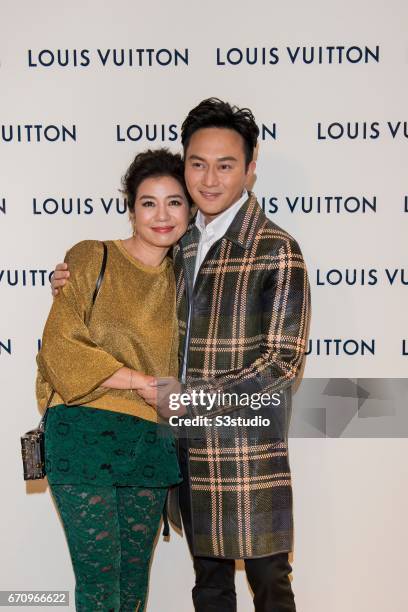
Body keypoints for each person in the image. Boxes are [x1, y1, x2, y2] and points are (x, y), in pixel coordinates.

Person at [52, 98, 311, 612]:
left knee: (270, 587)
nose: (210, 179)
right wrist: (70, 279)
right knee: (208, 590)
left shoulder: (275, 248)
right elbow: (129, 287)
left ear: (251, 167)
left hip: (245, 453)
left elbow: (282, 364)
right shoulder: (184, 244)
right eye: (198, 164)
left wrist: (189, 399)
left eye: (226, 164)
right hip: (183, 452)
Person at [37, 148, 191, 612]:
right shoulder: (91, 258)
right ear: (130, 208)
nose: (162, 215)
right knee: (100, 586)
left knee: (131, 590)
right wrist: (140, 382)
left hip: (149, 441)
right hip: (83, 436)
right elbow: (61, 345)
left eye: (174, 202)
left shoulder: (187, 280)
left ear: (190, 209)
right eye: (149, 202)